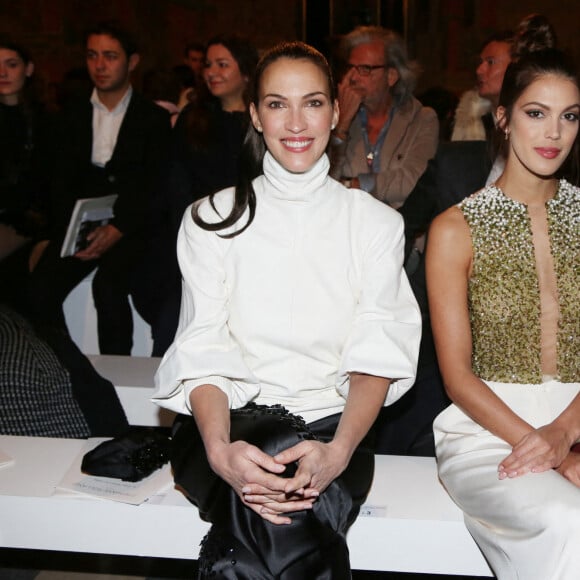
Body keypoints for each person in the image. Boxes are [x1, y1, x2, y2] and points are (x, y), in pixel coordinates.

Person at [152, 41, 421, 578]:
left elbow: (378, 348)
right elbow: (203, 346)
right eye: (277, 104)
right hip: (223, 429)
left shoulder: (375, 225)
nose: (296, 122)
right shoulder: (211, 219)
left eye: (313, 103)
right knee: (281, 516)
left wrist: (341, 451)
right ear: (254, 114)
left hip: (333, 435)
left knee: (273, 523)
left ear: (336, 111)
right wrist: (220, 451)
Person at [426, 44, 580, 580]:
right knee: (569, 520)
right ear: (503, 118)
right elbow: (457, 377)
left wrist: (566, 432)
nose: (553, 134)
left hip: (577, 418)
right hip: (487, 431)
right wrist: (555, 451)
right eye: (536, 114)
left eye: (569, 116)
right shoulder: (455, 229)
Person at [26, 21, 171, 355]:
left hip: (131, 228)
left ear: (132, 62)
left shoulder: (152, 118)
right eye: (92, 56)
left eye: (110, 56)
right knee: (40, 290)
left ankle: (113, 377)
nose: (100, 65)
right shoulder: (69, 114)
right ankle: (63, 365)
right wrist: (75, 228)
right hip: (78, 225)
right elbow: (58, 180)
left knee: (109, 288)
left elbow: (154, 186)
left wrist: (119, 228)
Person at [141, 35, 258, 356]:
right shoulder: (194, 117)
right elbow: (176, 181)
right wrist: (195, 229)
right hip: (195, 234)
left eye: (223, 64)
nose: (212, 72)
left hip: (250, 237)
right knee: (172, 321)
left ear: (246, 73)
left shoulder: (261, 121)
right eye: (208, 64)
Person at [329, 26, 438, 209]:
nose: (352, 77)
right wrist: (342, 125)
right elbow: (325, 179)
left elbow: (412, 181)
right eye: (350, 67)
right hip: (348, 227)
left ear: (391, 76)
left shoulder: (421, 119)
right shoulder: (336, 116)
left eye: (364, 69)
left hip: (404, 230)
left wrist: (350, 185)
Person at [0, 38, 50, 268]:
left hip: (27, 220)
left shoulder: (45, 121)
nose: (3, 73)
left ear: (28, 69)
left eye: (11, 65)